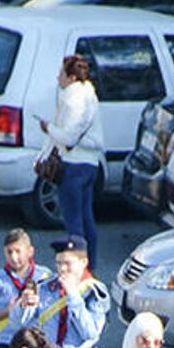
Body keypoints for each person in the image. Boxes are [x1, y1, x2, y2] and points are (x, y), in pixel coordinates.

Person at [39, 49, 100, 265]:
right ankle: (90, 265)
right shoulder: (90, 96)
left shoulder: (73, 100)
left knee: (74, 223)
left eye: (61, 74)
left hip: (74, 166)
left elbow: (68, 137)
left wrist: (49, 128)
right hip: (91, 164)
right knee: (86, 219)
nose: (58, 78)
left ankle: (78, 267)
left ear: (71, 78)